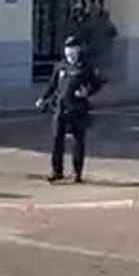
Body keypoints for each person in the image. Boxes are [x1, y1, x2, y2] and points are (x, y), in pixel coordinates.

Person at [36, 35, 102, 184]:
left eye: (72, 48)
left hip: (78, 109)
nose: (69, 51)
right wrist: (43, 98)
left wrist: (87, 92)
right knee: (57, 139)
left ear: (78, 49)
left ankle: (77, 173)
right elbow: (52, 85)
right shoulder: (60, 66)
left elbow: (96, 84)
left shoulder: (85, 67)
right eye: (67, 48)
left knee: (78, 141)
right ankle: (57, 171)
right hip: (60, 108)